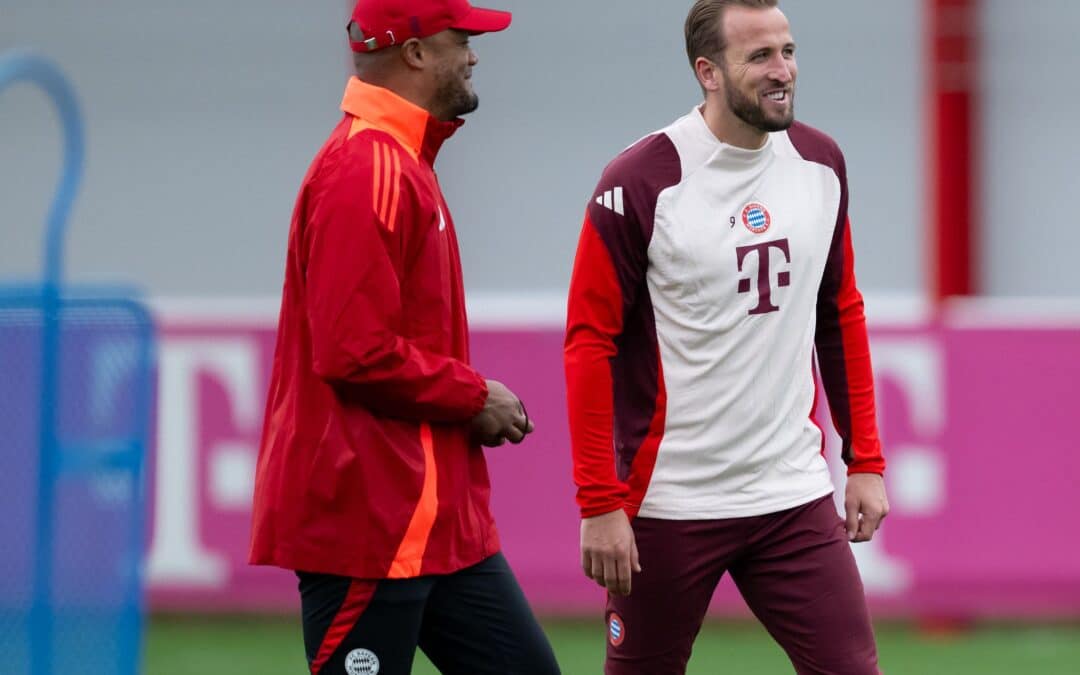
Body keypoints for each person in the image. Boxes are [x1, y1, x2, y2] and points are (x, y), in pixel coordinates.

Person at [563, 1, 889, 673]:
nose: (783, 71)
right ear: (707, 72)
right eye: (760, 57)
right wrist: (601, 502)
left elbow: (839, 312)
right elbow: (588, 343)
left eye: (789, 50)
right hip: (668, 503)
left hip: (789, 494)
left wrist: (866, 462)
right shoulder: (641, 181)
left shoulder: (821, 164)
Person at [249, 2, 560, 673]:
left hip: (433, 523)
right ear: (415, 53)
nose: (473, 54)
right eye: (461, 39)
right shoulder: (368, 168)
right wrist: (474, 395)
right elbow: (351, 348)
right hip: (371, 522)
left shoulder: (399, 162)